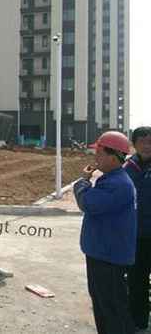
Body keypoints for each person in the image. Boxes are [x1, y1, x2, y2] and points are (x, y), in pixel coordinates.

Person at [73, 131, 137, 334]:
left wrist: (83, 182)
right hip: (103, 252)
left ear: (114, 157)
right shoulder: (112, 179)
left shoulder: (117, 184)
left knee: (111, 308)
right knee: (104, 304)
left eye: (99, 153)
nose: (96, 158)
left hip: (108, 256)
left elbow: (88, 203)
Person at [125, 126, 151, 331]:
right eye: (142, 141)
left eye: (150, 142)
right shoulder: (127, 168)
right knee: (137, 281)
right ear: (134, 144)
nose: (147, 146)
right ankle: (139, 321)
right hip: (135, 236)